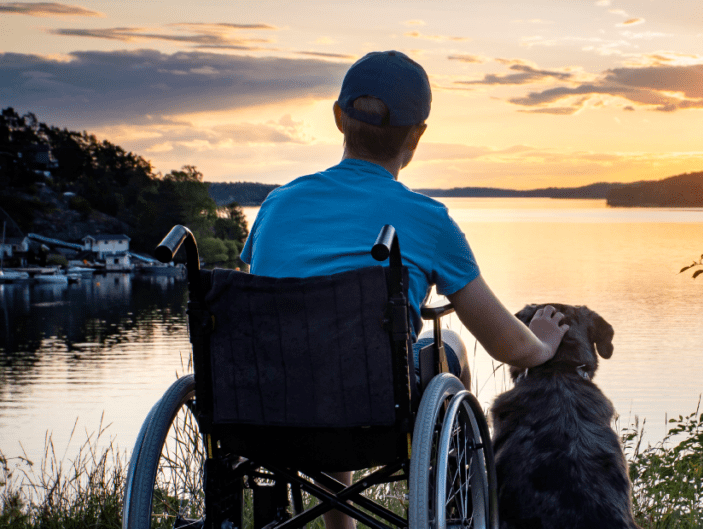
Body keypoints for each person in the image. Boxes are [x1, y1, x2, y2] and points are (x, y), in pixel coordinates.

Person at [240, 50, 569, 529]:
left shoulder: (277, 203)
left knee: (326, 351)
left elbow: (254, 297)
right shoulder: (428, 220)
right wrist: (545, 342)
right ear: (417, 136)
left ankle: (340, 525)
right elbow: (506, 345)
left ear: (338, 118)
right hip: (370, 408)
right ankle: (455, 509)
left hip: (270, 404)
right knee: (446, 344)